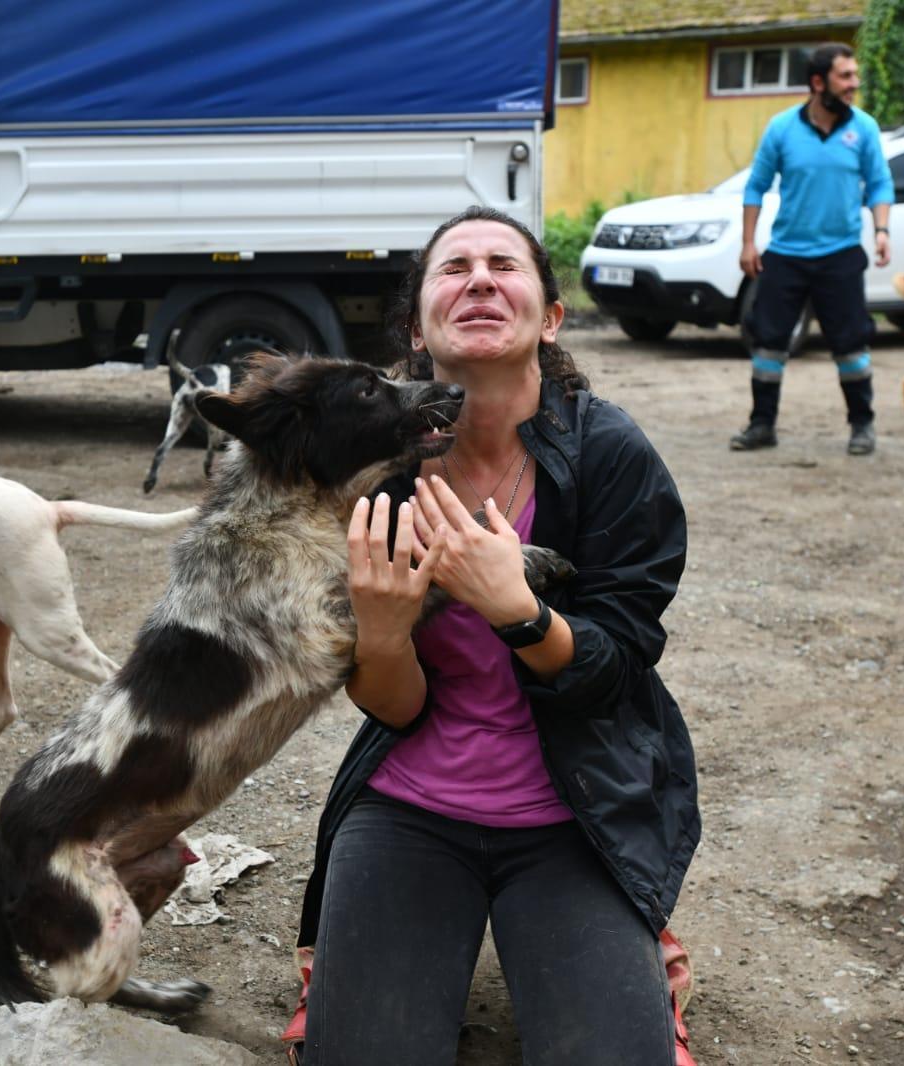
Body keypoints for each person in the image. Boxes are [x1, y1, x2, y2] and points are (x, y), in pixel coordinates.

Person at [290, 206, 699, 1065]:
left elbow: (617, 671)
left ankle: (635, 937)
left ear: (550, 317)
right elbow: (391, 708)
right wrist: (387, 634)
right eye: (455, 268)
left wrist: (518, 612)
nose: (480, 278)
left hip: (574, 808)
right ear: (416, 324)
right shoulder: (375, 475)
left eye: (505, 265)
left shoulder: (611, 452)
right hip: (410, 806)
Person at [732, 43, 894, 456]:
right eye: (845, 76)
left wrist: (881, 229)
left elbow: (879, 184)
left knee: (851, 344)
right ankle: (761, 425)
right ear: (818, 82)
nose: (854, 84)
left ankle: (862, 425)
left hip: (840, 254)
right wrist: (749, 242)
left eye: (855, 75)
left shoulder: (865, 128)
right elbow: (756, 185)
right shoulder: (782, 128)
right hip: (787, 253)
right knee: (769, 341)